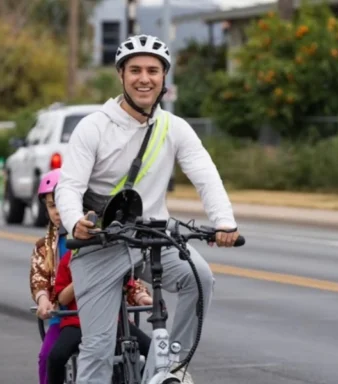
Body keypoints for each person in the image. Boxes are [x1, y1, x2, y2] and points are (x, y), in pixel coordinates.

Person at [54, 34, 240, 384]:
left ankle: (166, 369)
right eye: (135, 69)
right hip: (100, 242)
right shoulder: (93, 127)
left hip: (153, 236)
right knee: (96, 350)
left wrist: (223, 222)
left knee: (199, 278)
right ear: (121, 75)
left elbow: (205, 175)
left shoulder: (174, 127)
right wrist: (75, 222)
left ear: (164, 78)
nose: (145, 78)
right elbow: (70, 186)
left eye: (153, 70)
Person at [46, 248, 153, 384]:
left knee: (152, 351)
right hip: (78, 322)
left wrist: (142, 297)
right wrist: (86, 275)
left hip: (114, 321)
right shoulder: (71, 258)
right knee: (56, 356)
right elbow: (62, 299)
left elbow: (131, 285)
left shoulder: (114, 255)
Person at [29, 168, 69, 384]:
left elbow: (127, 277)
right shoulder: (44, 247)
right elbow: (39, 279)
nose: (57, 211)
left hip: (103, 315)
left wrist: (140, 296)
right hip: (62, 319)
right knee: (47, 357)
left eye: (62, 203)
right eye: (52, 205)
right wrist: (43, 300)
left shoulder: (96, 237)